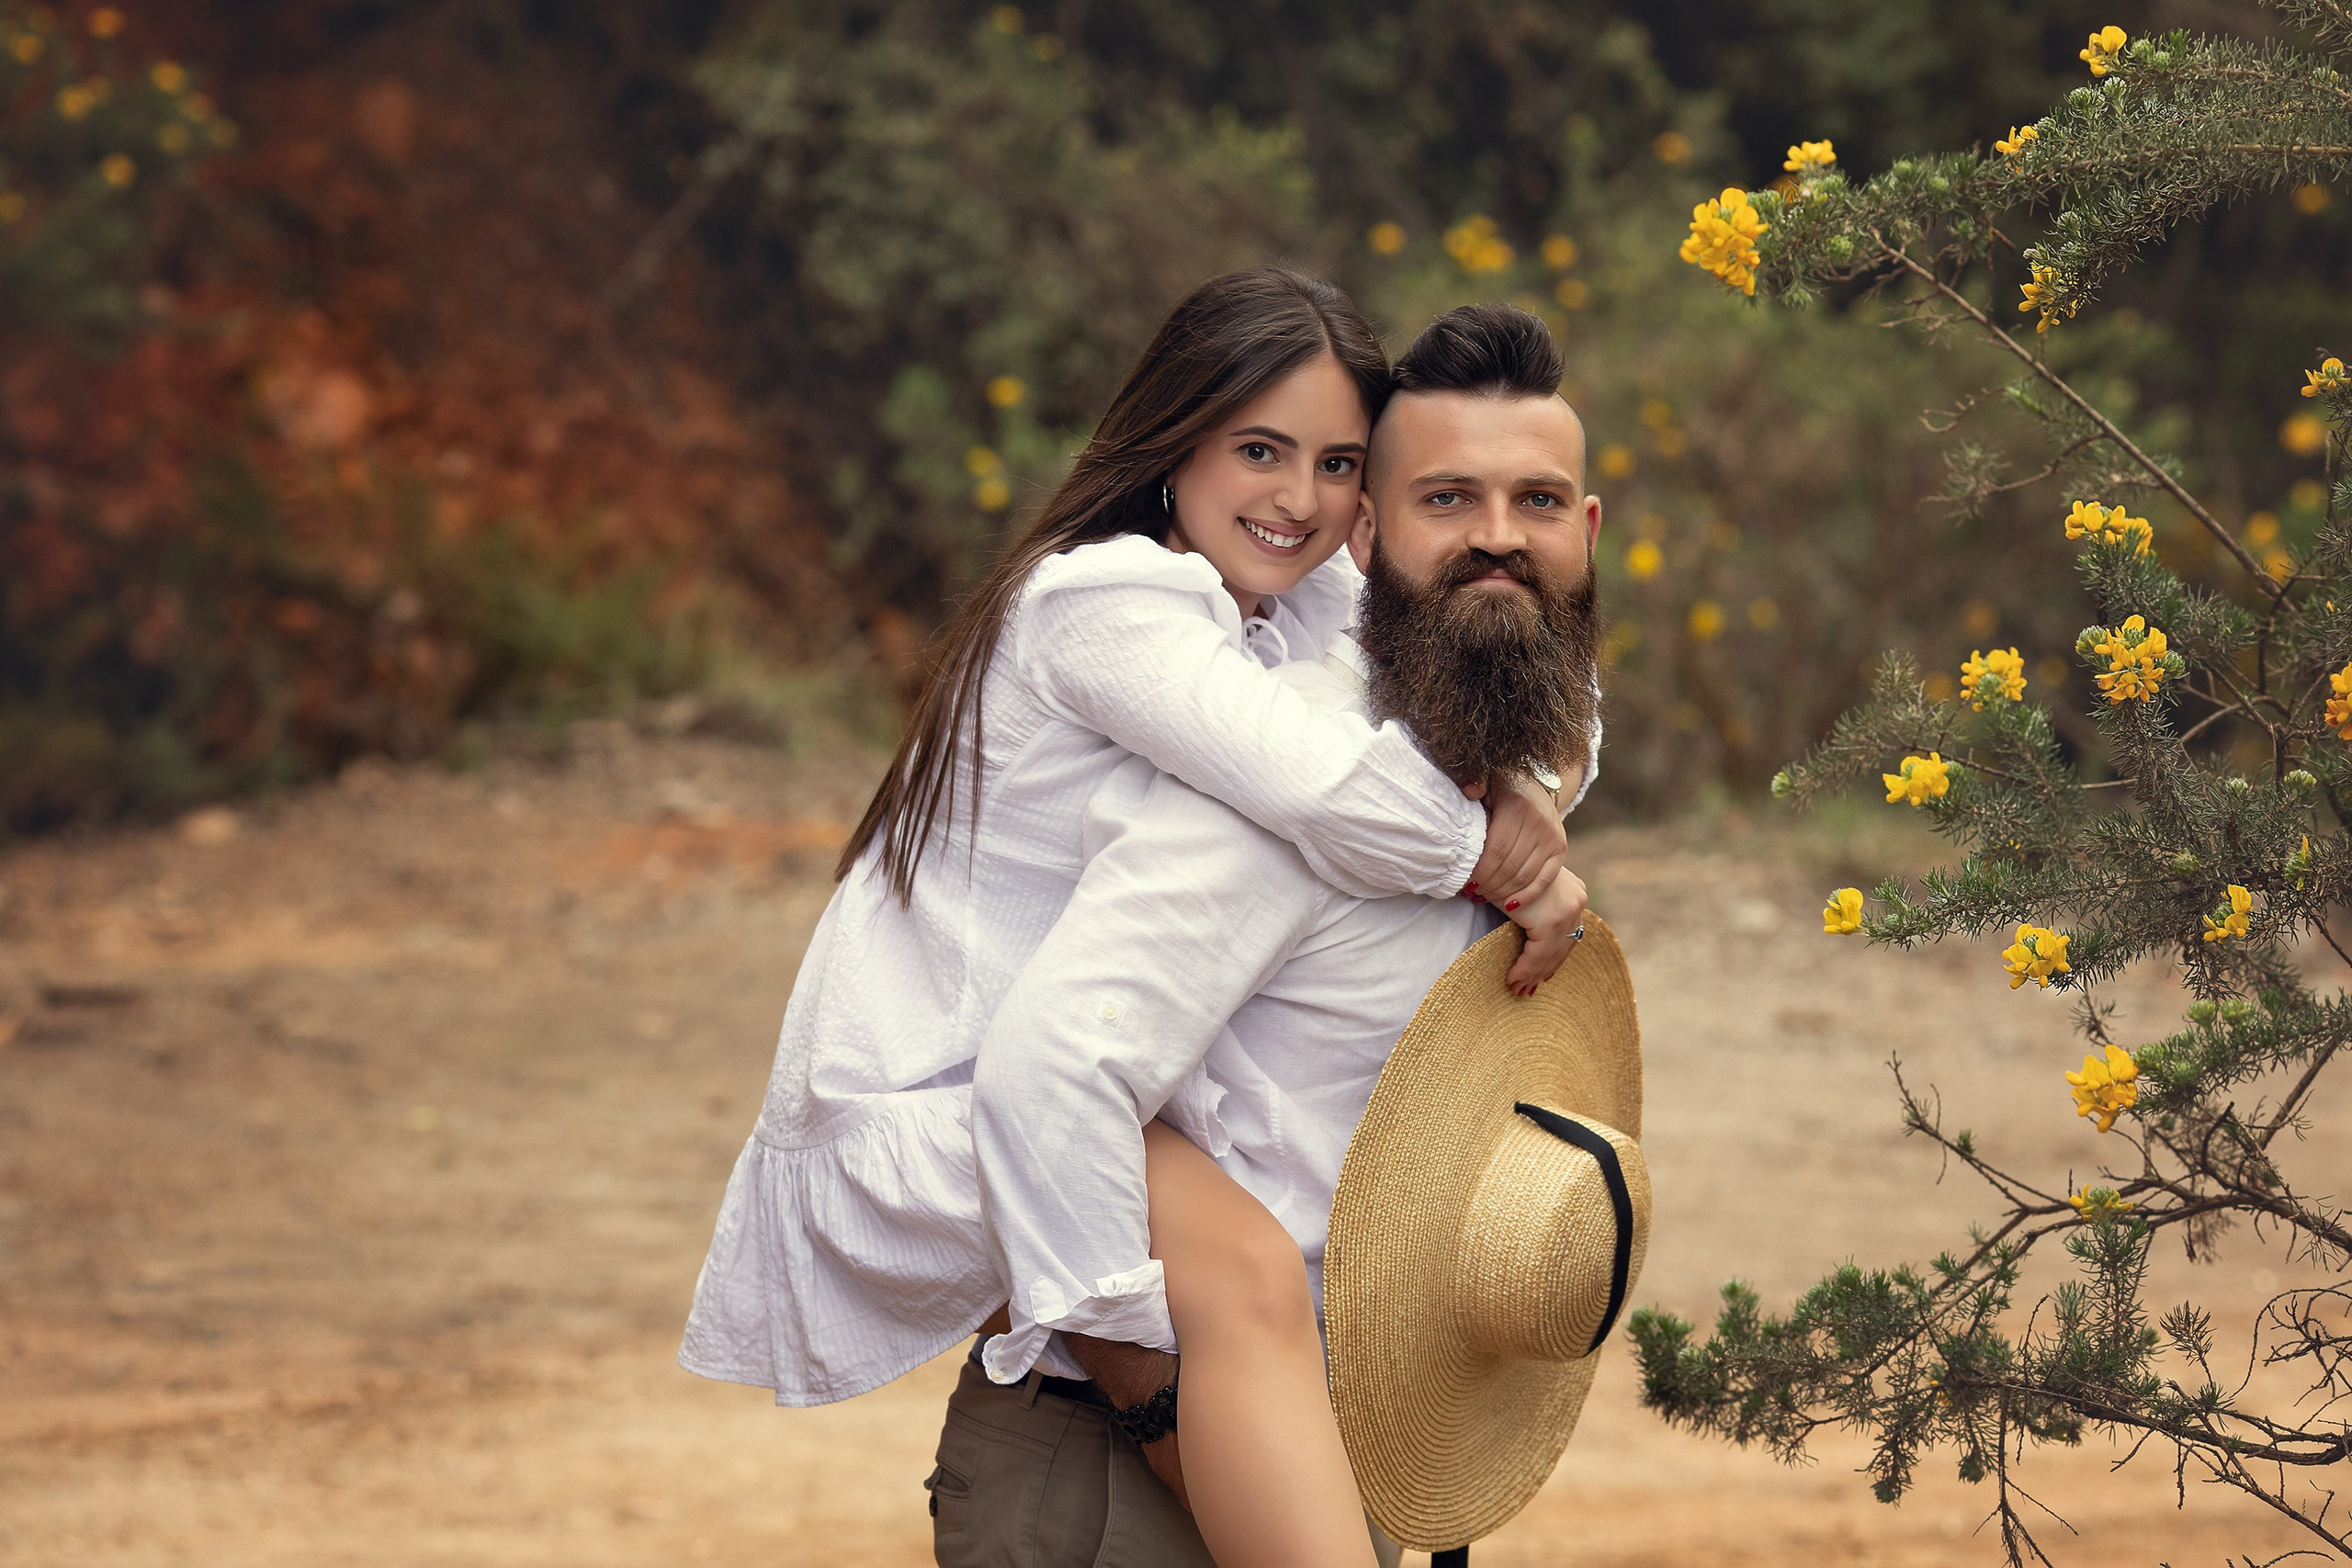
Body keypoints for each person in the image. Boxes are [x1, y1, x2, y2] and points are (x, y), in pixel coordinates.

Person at [678, 270, 1580, 1414]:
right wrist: (1501, 855)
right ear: (1175, 442)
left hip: (1080, 1072)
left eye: (1338, 464)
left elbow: (1505, 664)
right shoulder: (1103, 601)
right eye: (1261, 451)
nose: (1300, 500)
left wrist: (1526, 783)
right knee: (1240, 1288)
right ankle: (1150, 1413)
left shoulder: (1288, 597)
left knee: (1259, 1275)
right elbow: (1334, 798)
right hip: (947, 1099)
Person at [953, 301, 1605, 1566]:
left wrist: (1525, 827)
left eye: (1536, 503)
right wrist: (1157, 1402)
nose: (1495, 540)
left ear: (1586, 534)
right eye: (1447, 500)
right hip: (1139, 1477)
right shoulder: (1272, 786)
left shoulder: (1487, 748)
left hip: (1325, 1445)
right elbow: (1047, 1072)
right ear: (1367, 538)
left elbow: (1561, 709)